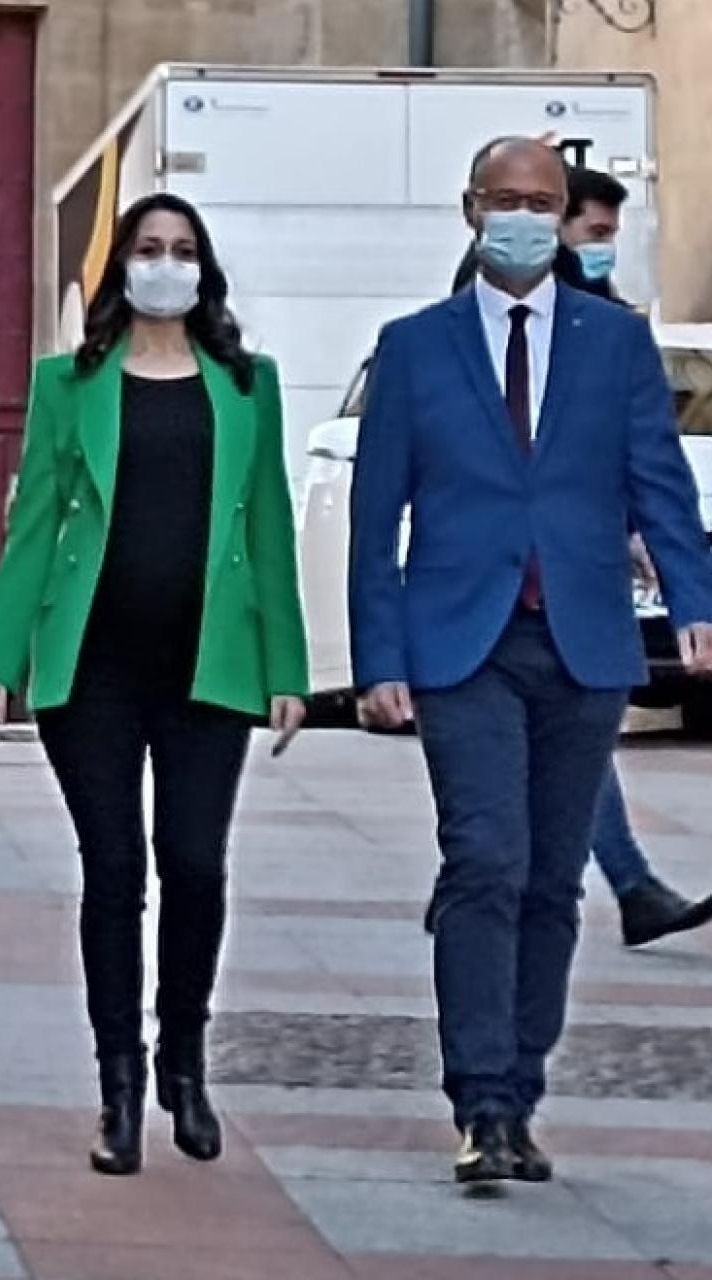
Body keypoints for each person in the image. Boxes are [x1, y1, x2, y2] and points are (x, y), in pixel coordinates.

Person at [350, 137, 712, 1187]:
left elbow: (659, 483)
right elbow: (375, 519)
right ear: (471, 210)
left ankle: (518, 1090)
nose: (522, 216)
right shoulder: (415, 348)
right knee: (485, 859)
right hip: (463, 641)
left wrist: (694, 601)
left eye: (541, 201)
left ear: (561, 216)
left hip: (584, 641)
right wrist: (377, 656)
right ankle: (478, 1098)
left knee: (553, 878)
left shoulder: (616, 344)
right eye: (503, 199)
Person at [0, 193, 310, 1176]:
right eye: (149, 248)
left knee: (194, 864)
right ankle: (116, 1083)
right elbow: (33, 524)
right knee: (113, 870)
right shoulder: (67, 383)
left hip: (211, 664)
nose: (166, 264)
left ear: (205, 268)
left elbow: (269, 526)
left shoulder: (247, 384)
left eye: (183, 249)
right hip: (95, 668)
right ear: (120, 266)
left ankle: (183, 1062)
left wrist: (287, 667)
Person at [455, 166, 712, 947]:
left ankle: (597, 886)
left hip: (572, 575)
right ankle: (606, 886)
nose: (604, 246)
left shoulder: (600, 322)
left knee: (566, 741)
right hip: (503, 578)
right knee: (543, 746)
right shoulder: (491, 311)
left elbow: (633, 452)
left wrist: (635, 535)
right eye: (594, 231)